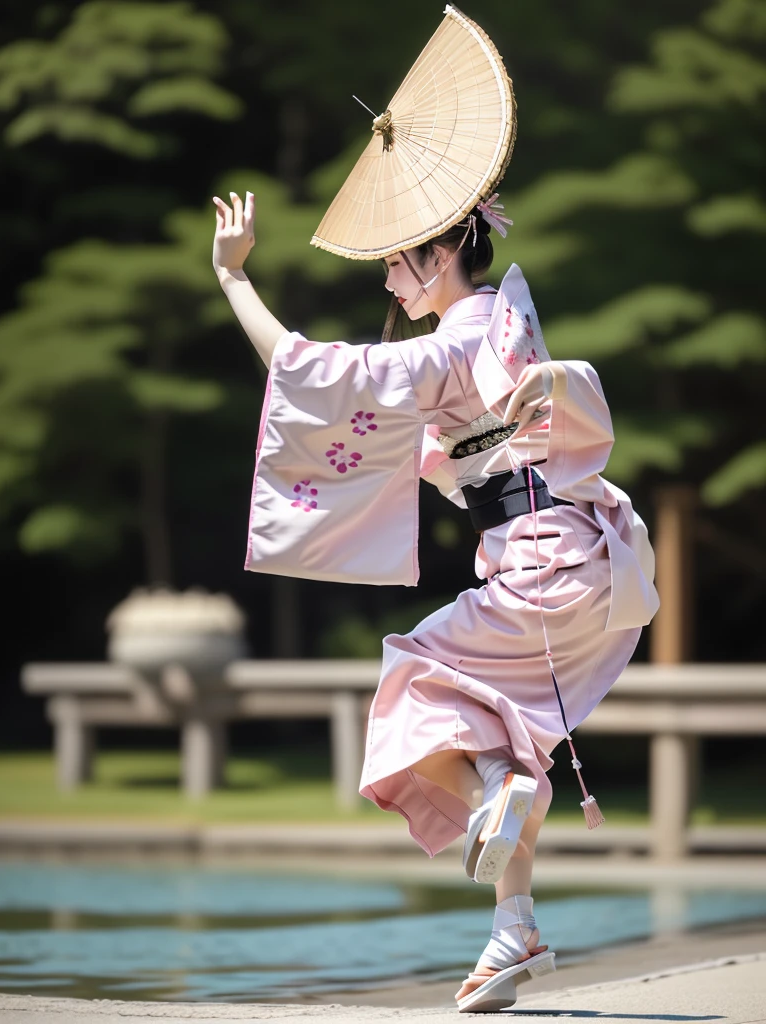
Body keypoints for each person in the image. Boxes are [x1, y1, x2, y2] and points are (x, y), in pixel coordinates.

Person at [212, 188, 659, 1013]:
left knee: (412, 674)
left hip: (538, 572)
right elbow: (459, 447)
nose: (388, 280)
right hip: (586, 563)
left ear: (439, 255)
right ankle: (511, 930)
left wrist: (235, 279)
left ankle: (493, 794)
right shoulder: (506, 327)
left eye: (394, 260)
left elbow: (304, 367)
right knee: (499, 730)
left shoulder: (447, 351)